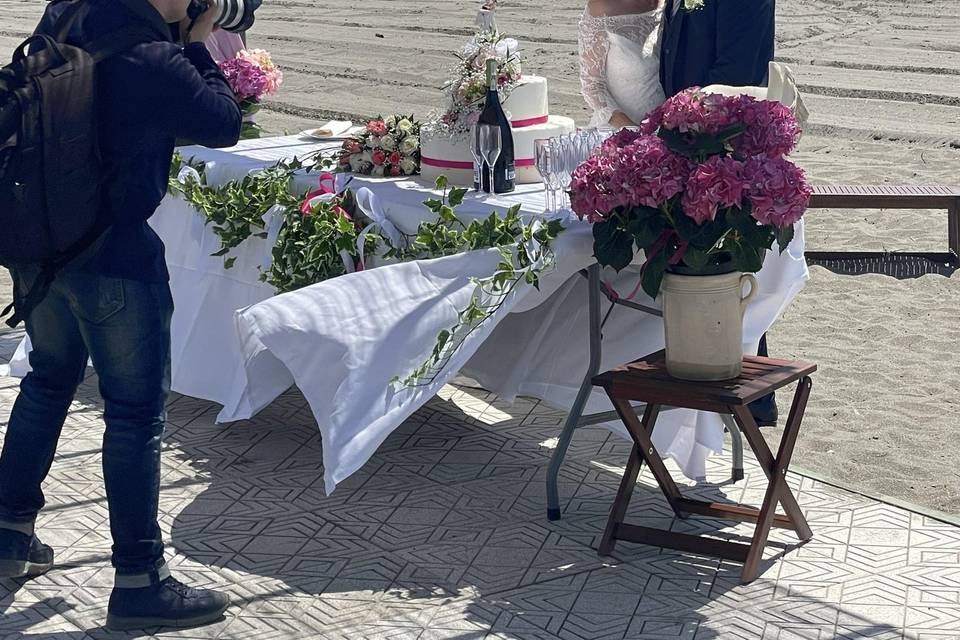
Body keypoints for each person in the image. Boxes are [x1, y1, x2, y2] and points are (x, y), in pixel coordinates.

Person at [0, 0, 242, 631]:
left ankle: (5, 539)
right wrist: (197, 40)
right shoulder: (155, 58)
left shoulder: (64, 16)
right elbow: (223, 122)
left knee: (49, 380)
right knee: (134, 415)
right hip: (115, 256)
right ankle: (141, 580)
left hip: (42, 246)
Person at [660, 0, 780, 426]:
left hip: (721, 152)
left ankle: (742, 404)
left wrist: (682, 134)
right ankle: (715, 404)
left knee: (729, 277)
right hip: (685, 150)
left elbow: (736, 74)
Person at [578, 0, 665, 127]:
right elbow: (592, 85)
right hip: (618, 132)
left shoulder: (672, 5)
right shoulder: (601, 7)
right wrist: (632, 131)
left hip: (671, 132)